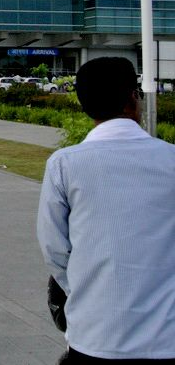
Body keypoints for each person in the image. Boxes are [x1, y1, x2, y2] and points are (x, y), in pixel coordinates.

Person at [37, 57, 175, 364]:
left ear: (84, 105)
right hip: (166, 338)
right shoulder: (171, 159)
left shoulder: (64, 164)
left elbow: (54, 250)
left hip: (95, 336)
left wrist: (89, 289)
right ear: (133, 98)